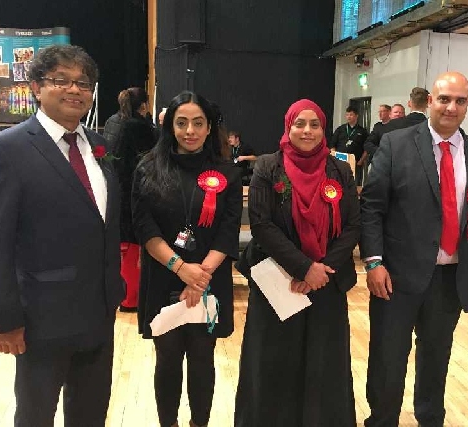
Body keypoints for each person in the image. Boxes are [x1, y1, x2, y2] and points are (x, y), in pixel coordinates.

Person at [0, 44, 124, 426]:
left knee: (91, 413)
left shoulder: (99, 146)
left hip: (99, 311)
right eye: (61, 80)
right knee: (35, 416)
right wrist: (3, 318)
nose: (74, 90)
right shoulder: (4, 151)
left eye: (83, 83)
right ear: (36, 88)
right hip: (41, 319)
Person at [360, 71, 468, 427]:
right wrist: (374, 262)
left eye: (459, 100)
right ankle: (382, 419)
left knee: (436, 355)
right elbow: (372, 207)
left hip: (452, 278)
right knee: (388, 356)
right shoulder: (395, 145)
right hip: (396, 276)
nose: (451, 107)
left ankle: (429, 418)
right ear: (429, 102)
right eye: (444, 99)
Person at [234, 99, 361, 426]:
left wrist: (321, 269)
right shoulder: (267, 166)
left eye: (315, 124)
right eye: (299, 124)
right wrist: (304, 267)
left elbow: (352, 225)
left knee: (323, 361)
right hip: (277, 280)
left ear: (323, 129)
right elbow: (261, 224)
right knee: (274, 361)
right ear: (288, 127)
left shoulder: (339, 170)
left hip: (326, 283)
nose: (307, 131)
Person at [131, 91, 242, 427]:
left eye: (198, 123)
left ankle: (199, 423)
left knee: (202, 360)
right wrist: (181, 269)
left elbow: (228, 230)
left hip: (209, 279)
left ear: (210, 128)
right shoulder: (147, 168)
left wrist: (200, 276)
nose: (190, 131)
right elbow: (144, 227)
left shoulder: (228, 173)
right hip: (164, 275)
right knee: (166, 361)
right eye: (182, 123)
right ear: (170, 127)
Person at [116, 87, 158, 312]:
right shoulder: (140, 127)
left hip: (123, 194)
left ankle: (127, 297)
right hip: (138, 195)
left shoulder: (119, 123)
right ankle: (131, 299)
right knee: (134, 251)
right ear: (143, 105)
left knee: (128, 251)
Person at [364, 87, 429, 161]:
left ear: (409, 104)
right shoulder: (433, 126)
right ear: (428, 104)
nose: (398, 114)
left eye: (400, 112)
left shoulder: (393, 125)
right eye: (395, 112)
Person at [329, 105, 369, 184]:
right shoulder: (340, 129)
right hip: (340, 161)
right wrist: (334, 158)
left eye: (351, 114)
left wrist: (361, 161)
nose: (348, 117)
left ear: (356, 116)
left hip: (356, 162)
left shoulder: (362, 131)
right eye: (347, 115)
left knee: (355, 183)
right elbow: (332, 145)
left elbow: (367, 148)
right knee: (339, 182)